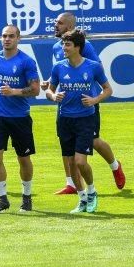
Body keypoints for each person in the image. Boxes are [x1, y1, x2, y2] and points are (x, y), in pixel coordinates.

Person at [43, 12, 125, 194]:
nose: (56, 25)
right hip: (66, 102)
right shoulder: (58, 46)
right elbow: (62, 68)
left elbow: (96, 67)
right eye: (55, 22)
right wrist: (49, 83)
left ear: (70, 27)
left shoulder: (84, 45)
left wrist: (93, 96)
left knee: (94, 141)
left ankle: (115, 165)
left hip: (87, 102)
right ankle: (71, 184)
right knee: (66, 144)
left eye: (60, 23)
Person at [46, 29, 113, 213]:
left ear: (78, 47)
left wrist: (94, 100)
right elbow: (49, 90)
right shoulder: (58, 67)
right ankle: (82, 199)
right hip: (64, 119)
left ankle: (92, 192)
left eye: (67, 45)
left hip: (85, 119)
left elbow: (108, 89)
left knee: (80, 162)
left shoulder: (93, 67)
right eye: (63, 44)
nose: (63, 48)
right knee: (71, 163)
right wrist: (53, 96)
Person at [0, 25, 40, 214]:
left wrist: (14, 91)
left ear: (18, 38)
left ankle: (27, 197)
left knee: (23, 158)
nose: (7, 39)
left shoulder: (26, 62)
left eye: (11, 36)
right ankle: (2, 198)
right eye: (4, 36)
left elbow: (36, 89)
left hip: (20, 117)